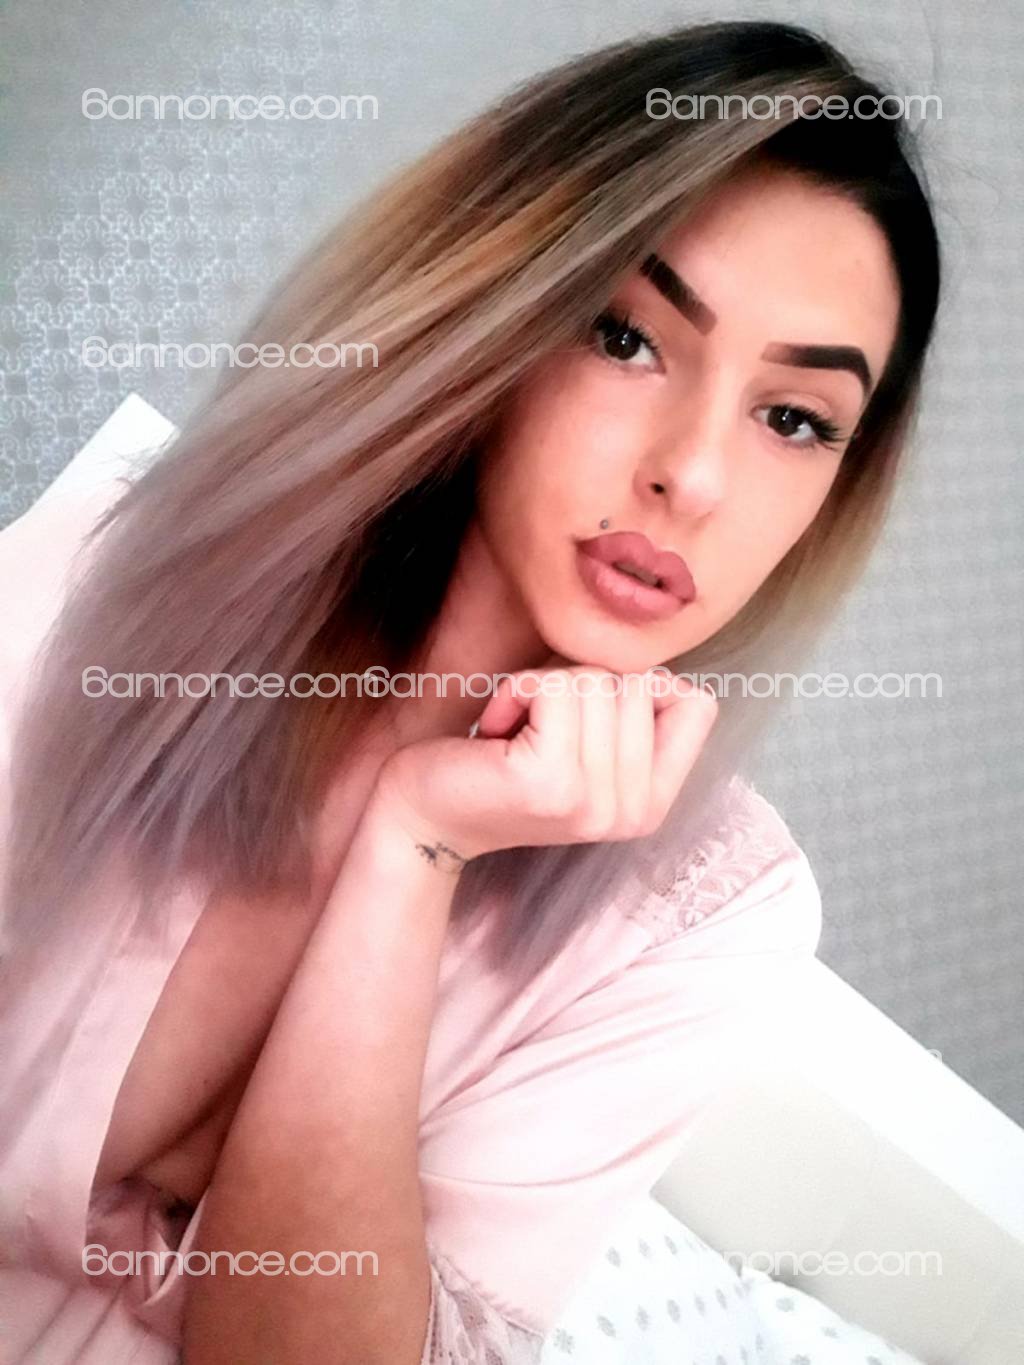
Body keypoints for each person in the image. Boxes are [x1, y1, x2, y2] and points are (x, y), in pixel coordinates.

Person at [0, 18, 940, 1365]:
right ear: (499, 311)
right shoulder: (129, 570)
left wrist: (419, 840)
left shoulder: (715, 914)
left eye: (794, 418)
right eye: (627, 335)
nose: (693, 476)